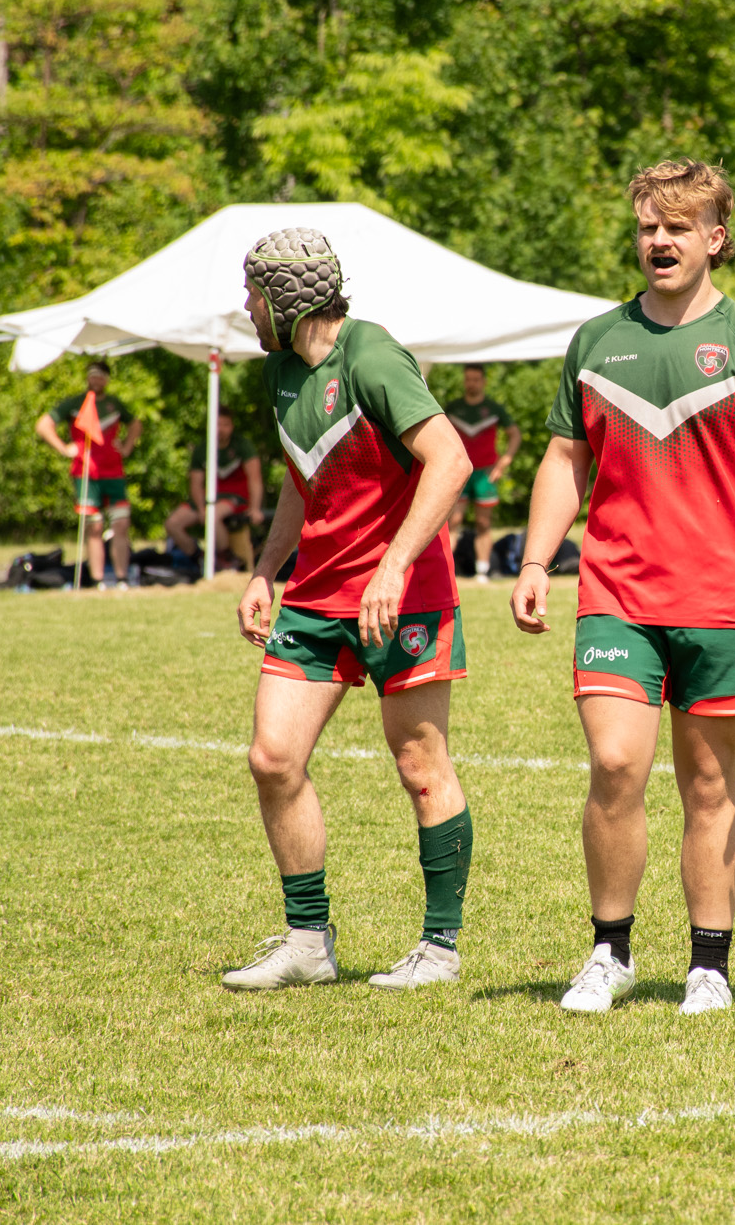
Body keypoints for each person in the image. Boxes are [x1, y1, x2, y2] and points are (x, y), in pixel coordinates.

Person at [510, 159, 735, 1018]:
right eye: (648, 225)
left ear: (715, 239)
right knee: (616, 764)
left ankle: (708, 966)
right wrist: (538, 560)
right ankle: (608, 952)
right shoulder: (596, 341)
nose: (658, 240)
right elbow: (565, 459)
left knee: (709, 783)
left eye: (677, 227)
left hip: (726, 599)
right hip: (616, 591)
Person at [221, 227, 478, 996]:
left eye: (254, 292)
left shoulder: (370, 355)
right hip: (316, 595)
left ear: (287, 296)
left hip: (405, 595)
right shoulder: (280, 375)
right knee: (273, 757)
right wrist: (267, 569)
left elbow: (452, 459)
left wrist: (393, 566)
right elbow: (305, 480)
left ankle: (439, 948)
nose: (247, 306)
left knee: (420, 766)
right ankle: (308, 940)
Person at [35, 360, 141, 587]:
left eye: (101, 375)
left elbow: (136, 424)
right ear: (87, 378)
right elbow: (43, 424)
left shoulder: (115, 404)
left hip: (113, 472)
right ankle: (98, 581)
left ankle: (122, 579)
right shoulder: (75, 403)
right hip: (85, 473)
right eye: (92, 375)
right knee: (94, 527)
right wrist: (64, 448)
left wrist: (128, 446)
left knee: (121, 524)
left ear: (107, 379)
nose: (96, 379)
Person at [444, 364, 521, 584]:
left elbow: (514, 434)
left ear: (484, 381)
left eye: (476, 379)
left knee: (483, 523)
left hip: (485, 473)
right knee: (453, 520)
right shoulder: (453, 408)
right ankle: (448, 572)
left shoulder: (494, 408)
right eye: (468, 379)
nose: (472, 383)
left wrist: (504, 461)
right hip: (459, 471)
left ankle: (482, 571)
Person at [166, 406, 265, 570]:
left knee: (211, 515)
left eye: (225, 425)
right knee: (172, 523)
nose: (221, 430)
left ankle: (227, 557)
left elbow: (255, 478)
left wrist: (255, 508)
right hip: (209, 498)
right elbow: (196, 483)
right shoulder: (202, 449)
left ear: (231, 426)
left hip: (236, 497)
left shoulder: (242, 445)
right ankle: (200, 557)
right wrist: (200, 508)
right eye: (217, 424)